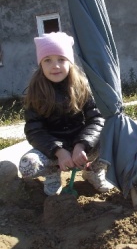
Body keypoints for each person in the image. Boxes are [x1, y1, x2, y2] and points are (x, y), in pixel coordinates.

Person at [19, 32, 113, 196]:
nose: (55, 66)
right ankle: (52, 175)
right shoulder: (34, 93)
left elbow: (96, 120)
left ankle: (93, 171)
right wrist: (59, 151)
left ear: (70, 62)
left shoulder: (82, 87)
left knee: (114, 136)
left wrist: (81, 144)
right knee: (27, 165)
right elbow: (34, 131)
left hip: (82, 148)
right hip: (52, 152)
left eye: (61, 59)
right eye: (48, 60)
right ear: (40, 64)